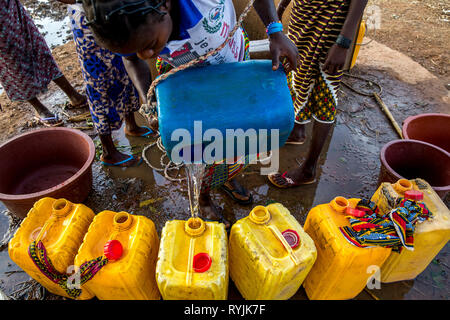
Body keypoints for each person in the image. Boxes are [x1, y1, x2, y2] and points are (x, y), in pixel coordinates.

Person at [80, 0, 299, 227]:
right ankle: (203, 197)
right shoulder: (129, 28)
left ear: (165, 5)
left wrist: (275, 31)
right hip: (186, 84)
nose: (146, 55)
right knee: (197, 149)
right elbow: (131, 60)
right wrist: (148, 101)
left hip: (234, 68)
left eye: (150, 44)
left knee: (237, 138)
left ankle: (228, 178)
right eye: (137, 49)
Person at [268, 0, 368, 188]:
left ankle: (309, 169)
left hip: (329, 28)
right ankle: (298, 131)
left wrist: (343, 43)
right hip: (302, 19)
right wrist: (282, 7)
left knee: (325, 91)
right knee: (298, 75)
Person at [57, 0, 157, 167]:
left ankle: (131, 125)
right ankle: (108, 151)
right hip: (88, 18)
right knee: (99, 83)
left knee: (125, 66)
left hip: (116, 10)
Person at [0, 0, 87, 127]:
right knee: (13, 65)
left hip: (11, 7)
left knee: (39, 49)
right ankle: (40, 109)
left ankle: (73, 95)